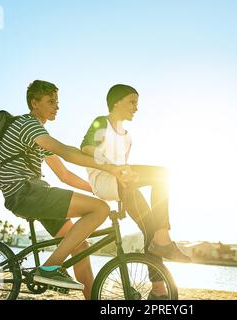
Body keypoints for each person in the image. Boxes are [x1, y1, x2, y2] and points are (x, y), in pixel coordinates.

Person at [0, 80, 130, 299]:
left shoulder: (37, 136)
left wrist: (95, 189)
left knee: (79, 246)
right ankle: (50, 268)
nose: (56, 106)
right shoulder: (28, 125)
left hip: (31, 194)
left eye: (57, 102)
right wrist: (109, 168)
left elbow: (64, 175)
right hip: (26, 193)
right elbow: (66, 151)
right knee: (100, 210)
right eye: (51, 101)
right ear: (34, 103)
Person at [80, 84, 191, 300]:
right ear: (116, 102)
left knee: (150, 229)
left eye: (137, 103)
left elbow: (127, 171)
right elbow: (87, 148)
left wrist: (122, 198)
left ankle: (158, 290)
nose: (136, 108)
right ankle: (163, 236)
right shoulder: (103, 122)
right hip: (104, 179)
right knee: (162, 173)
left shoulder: (127, 136)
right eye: (132, 102)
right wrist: (114, 167)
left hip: (122, 184)